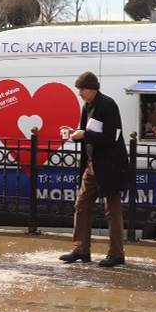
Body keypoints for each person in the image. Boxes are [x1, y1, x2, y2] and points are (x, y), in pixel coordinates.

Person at [58, 71, 129, 267]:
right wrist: (75, 133)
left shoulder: (108, 104)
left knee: (112, 212)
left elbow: (112, 136)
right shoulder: (86, 106)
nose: (79, 92)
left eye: (82, 89)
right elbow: (87, 133)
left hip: (110, 165)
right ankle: (81, 250)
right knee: (81, 206)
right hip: (92, 165)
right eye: (78, 89)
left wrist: (84, 135)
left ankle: (117, 254)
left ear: (92, 89)